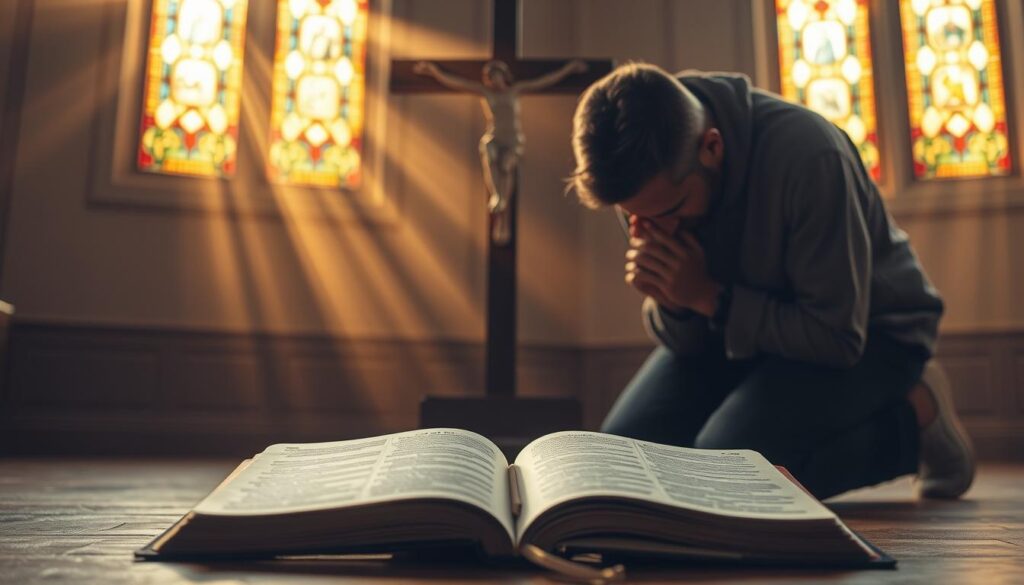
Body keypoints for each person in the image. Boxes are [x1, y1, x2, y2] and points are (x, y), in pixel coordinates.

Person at [569, 62, 975, 500]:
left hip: (870, 336)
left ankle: (915, 418)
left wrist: (709, 298)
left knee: (730, 474)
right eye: (633, 217)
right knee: (622, 465)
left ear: (712, 147)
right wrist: (674, 302)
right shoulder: (647, 182)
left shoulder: (811, 157)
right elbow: (686, 342)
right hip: (736, 331)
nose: (649, 230)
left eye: (667, 212)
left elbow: (836, 337)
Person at [414, 59, 588, 245]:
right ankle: (497, 197)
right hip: (494, 137)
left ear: (503, 75)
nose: (492, 81)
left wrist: (568, 69)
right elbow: (457, 83)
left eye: (494, 76)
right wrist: (433, 71)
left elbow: (544, 81)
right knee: (487, 149)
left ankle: (502, 217)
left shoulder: (516, 90)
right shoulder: (485, 92)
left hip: (513, 140)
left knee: (506, 166)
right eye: (489, 78)